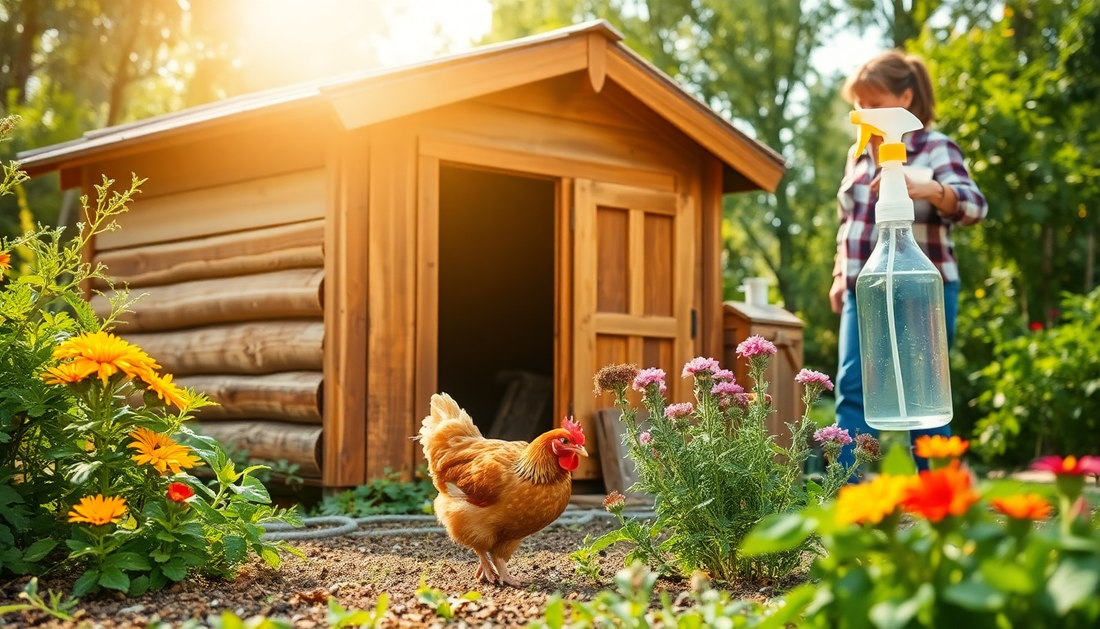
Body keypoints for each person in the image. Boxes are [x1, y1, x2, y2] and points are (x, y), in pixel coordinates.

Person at [832, 50, 987, 472]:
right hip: (864, 286)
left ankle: (936, 492)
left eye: (874, 101)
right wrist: (838, 275)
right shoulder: (859, 152)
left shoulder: (936, 148)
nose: (865, 111)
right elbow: (849, 220)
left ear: (906, 96)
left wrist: (932, 188)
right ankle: (846, 490)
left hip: (921, 283)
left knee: (924, 388)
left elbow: (975, 206)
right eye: (860, 103)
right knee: (853, 387)